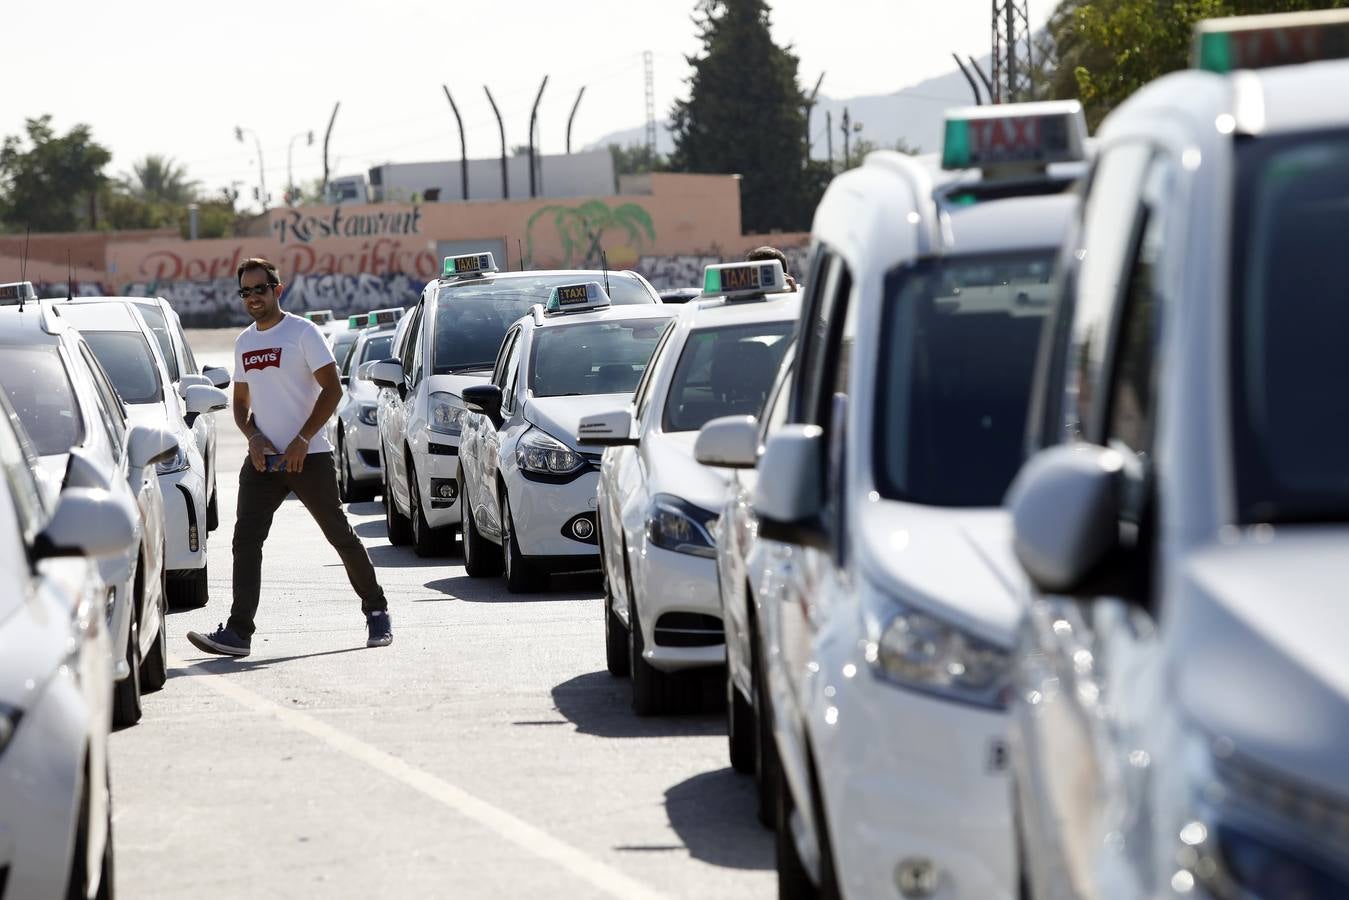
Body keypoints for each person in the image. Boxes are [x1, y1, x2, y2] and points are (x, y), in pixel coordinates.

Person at [187, 258, 392, 657]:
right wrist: (252, 438)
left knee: (340, 536)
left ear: (277, 290)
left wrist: (302, 439)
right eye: (245, 292)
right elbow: (241, 403)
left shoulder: (302, 333)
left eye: (259, 290)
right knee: (245, 542)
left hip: (309, 457)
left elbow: (332, 390)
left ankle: (377, 609)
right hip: (264, 463)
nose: (253, 298)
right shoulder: (244, 341)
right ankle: (238, 632)